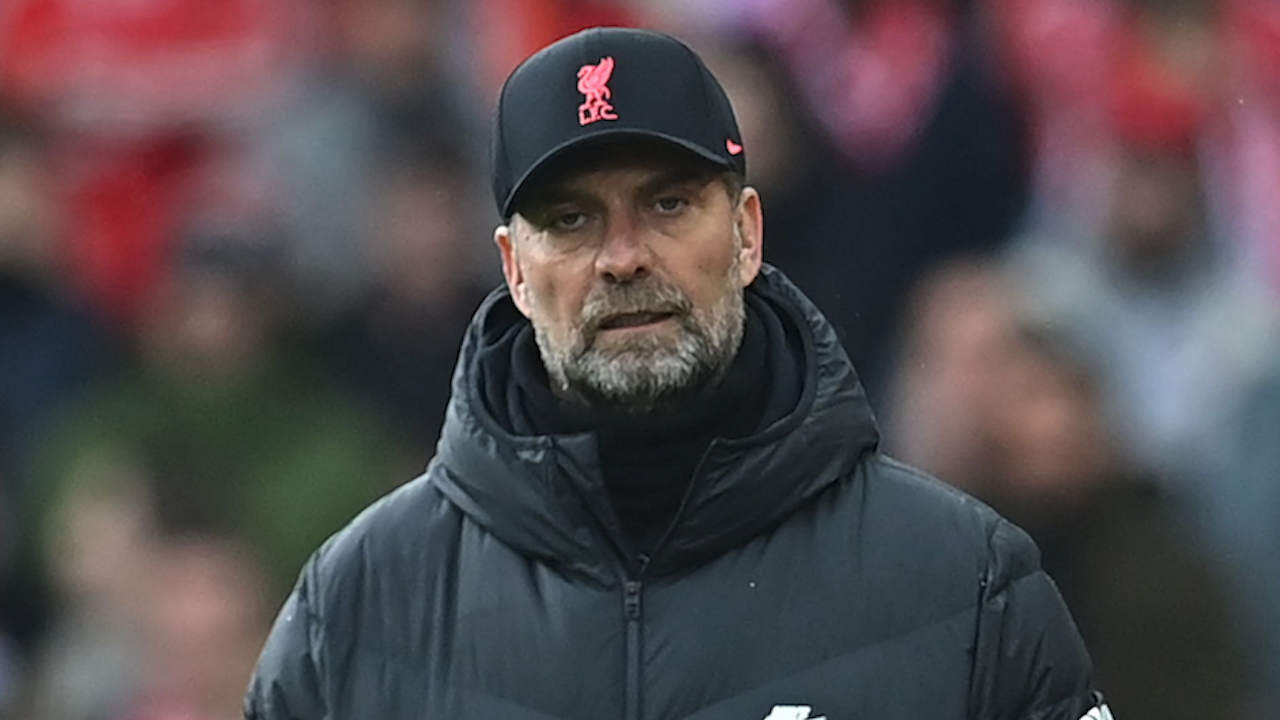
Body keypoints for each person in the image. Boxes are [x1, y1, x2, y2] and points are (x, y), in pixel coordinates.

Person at [244, 27, 1109, 720]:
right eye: (571, 219)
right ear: (513, 270)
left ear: (746, 235)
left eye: (667, 204)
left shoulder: (964, 584)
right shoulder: (353, 613)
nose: (622, 258)